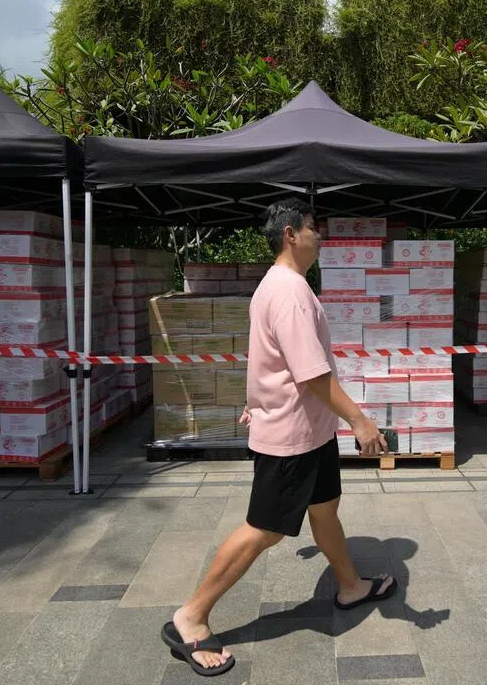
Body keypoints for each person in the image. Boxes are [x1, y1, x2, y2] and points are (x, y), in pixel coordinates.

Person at [161, 198, 396, 677]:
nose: (320, 236)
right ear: (291, 233)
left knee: (325, 506)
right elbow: (311, 374)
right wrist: (360, 420)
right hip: (292, 437)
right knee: (264, 529)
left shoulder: (285, 287)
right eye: (314, 228)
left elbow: (269, 359)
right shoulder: (287, 290)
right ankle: (191, 616)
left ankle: (349, 585)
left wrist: (258, 399)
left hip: (311, 431)